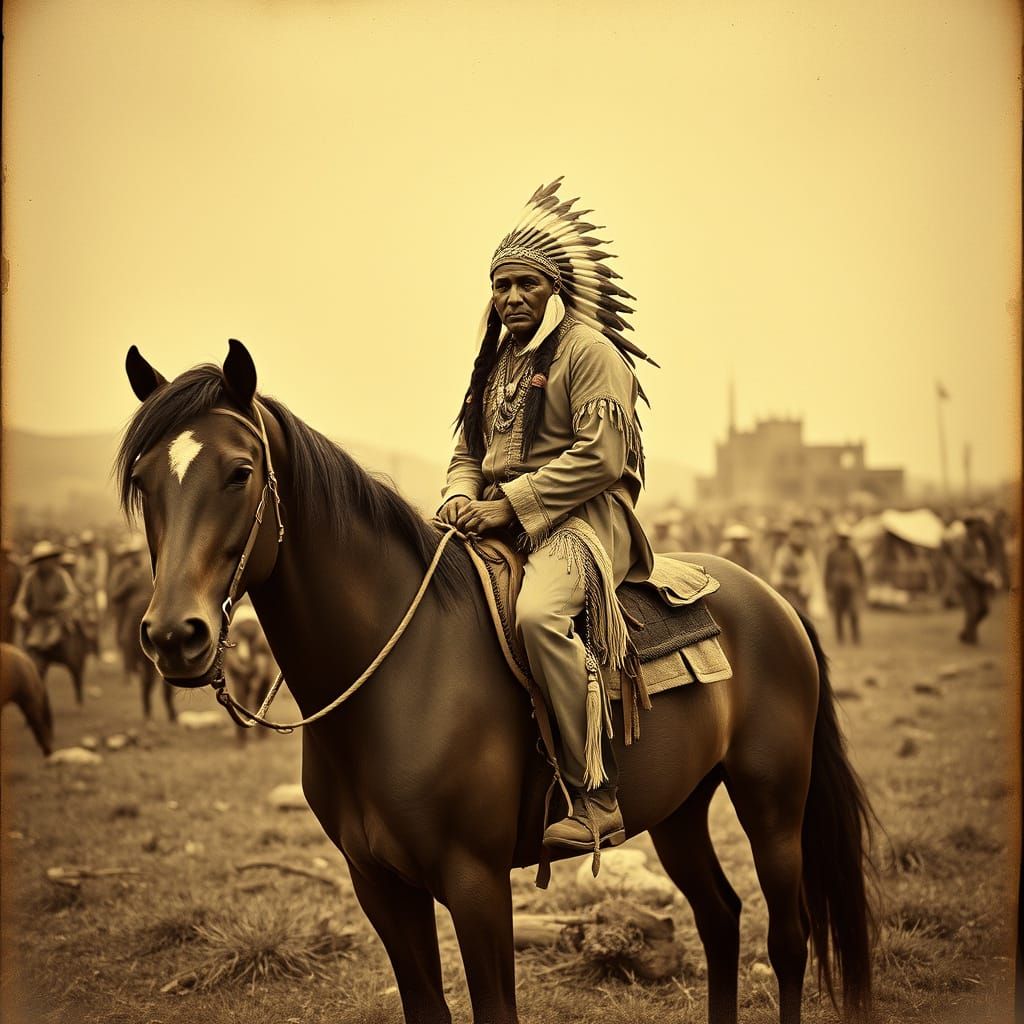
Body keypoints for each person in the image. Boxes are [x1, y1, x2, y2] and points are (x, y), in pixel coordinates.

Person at [438, 179, 656, 854]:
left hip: (585, 521)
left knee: (536, 615)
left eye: (525, 283)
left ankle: (595, 796)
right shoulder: (494, 362)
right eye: (499, 285)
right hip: (501, 516)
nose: (510, 297)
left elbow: (601, 457)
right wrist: (457, 496)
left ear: (554, 287)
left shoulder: (589, 352)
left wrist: (509, 506)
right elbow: (468, 447)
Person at [10, 541, 80, 654]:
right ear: (38, 562)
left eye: (49, 559)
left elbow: (72, 596)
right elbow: (19, 602)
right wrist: (23, 614)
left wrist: (61, 606)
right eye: (42, 560)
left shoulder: (61, 575)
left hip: (58, 617)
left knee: (69, 637)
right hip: (36, 618)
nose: (46, 563)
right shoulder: (30, 578)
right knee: (31, 645)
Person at [950, 512, 998, 645]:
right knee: (972, 610)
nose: (979, 529)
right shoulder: (961, 541)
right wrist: (976, 570)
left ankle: (966, 632)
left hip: (980, 580)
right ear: (969, 527)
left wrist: (987, 573)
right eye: (976, 526)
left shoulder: (980, 541)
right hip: (966, 581)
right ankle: (971, 639)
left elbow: (987, 558)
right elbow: (961, 562)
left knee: (984, 609)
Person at [770, 518, 824, 619]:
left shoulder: (807, 554)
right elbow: (776, 578)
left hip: (803, 595)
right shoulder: (783, 554)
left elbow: (812, 574)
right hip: (788, 594)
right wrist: (791, 582)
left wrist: (808, 587)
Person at [824, 526, 866, 644]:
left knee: (853, 612)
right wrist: (828, 588)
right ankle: (840, 638)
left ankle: (856, 637)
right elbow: (827, 571)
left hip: (851, 586)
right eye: (841, 538)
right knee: (838, 613)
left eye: (845, 538)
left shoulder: (853, 552)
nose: (843, 540)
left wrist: (861, 585)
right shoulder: (832, 553)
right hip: (837, 587)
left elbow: (860, 570)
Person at [74, 529, 108, 653]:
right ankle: (85, 645)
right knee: (81, 616)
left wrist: (93, 586)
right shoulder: (81, 558)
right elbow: (78, 576)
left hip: (97, 590)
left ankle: (97, 646)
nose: (87, 547)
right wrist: (83, 587)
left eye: (89, 544)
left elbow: (101, 574)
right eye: (85, 544)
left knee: (100, 610)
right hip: (84, 592)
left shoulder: (100, 555)